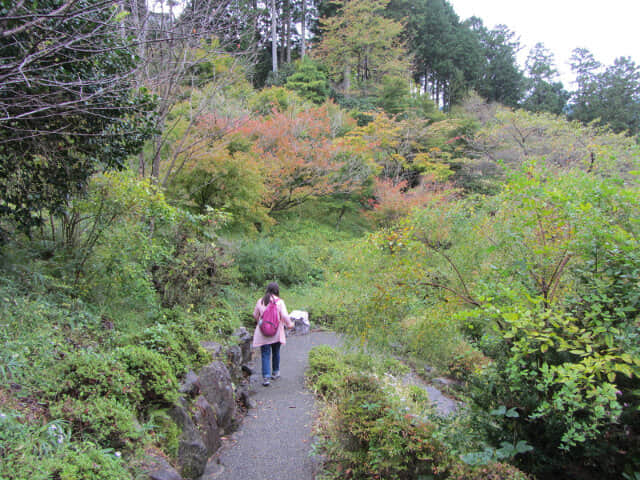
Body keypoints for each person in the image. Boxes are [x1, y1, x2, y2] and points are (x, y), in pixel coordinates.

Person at [252, 282, 294, 386]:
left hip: (263, 333)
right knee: (276, 352)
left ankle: (266, 377)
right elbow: (284, 315)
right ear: (277, 290)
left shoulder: (260, 301)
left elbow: (255, 315)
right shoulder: (280, 302)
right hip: (276, 332)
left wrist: (260, 322)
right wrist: (289, 324)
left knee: (265, 354)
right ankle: (275, 372)